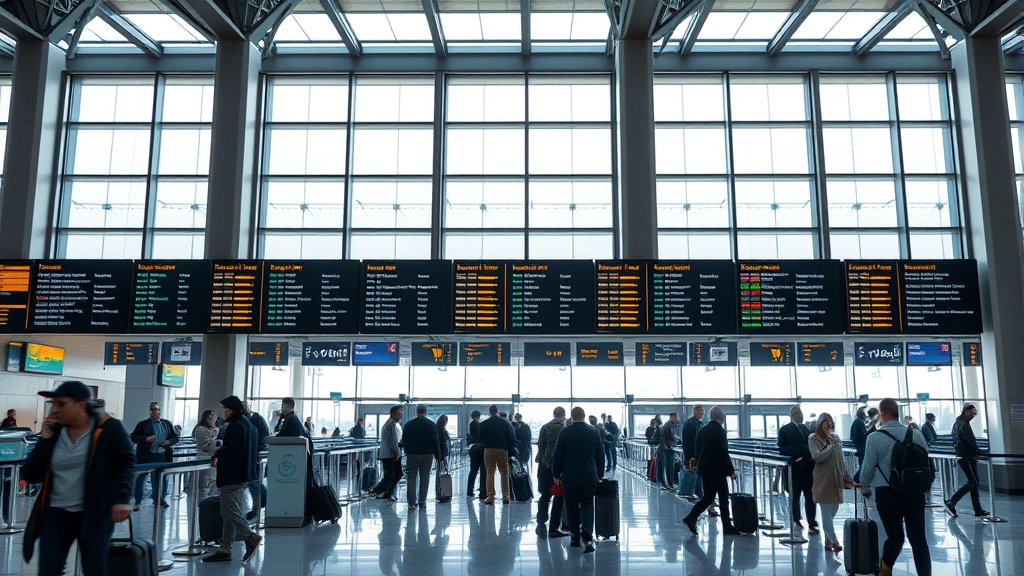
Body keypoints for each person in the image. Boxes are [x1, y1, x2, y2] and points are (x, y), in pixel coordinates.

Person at [22, 381, 135, 576]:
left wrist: (121, 500)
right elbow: (31, 474)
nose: (55, 409)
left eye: (61, 404)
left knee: (94, 570)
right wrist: (45, 439)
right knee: (48, 571)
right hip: (55, 514)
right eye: (53, 404)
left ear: (81, 405)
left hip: (95, 513)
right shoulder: (54, 432)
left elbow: (126, 463)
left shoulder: (108, 428)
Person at [860, 398, 931, 576]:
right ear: (897, 412)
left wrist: (865, 488)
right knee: (919, 540)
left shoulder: (874, 438)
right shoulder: (916, 433)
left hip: (888, 493)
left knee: (896, 537)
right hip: (915, 492)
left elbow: (867, 469)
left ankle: (885, 566)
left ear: (882, 414)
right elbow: (925, 457)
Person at [202, 396, 261, 563]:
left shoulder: (236, 425)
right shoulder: (249, 424)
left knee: (228, 511)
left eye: (225, 408)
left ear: (232, 409)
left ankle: (250, 536)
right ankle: (225, 548)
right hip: (244, 473)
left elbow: (232, 449)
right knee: (229, 512)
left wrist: (218, 456)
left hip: (232, 473)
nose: (223, 412)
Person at [550, 407, 604, 553]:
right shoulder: (594, 432)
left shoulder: (565, 432)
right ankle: (587, 538)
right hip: (589, 475)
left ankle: (574, 537)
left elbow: (558, 454)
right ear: (584, 416)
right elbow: (600, 455)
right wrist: (600, 474)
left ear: (572, 417)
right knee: (587, 504)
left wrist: (556, 473)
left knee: (571, 506)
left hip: (570, 477)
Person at [682, 406, 738, 536]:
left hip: (705, 469)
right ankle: (727, 526)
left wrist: (696, 464)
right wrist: (731, 470)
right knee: (723, 497)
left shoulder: (703, 430)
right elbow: (724, 452)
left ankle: (691, 518)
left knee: (708, 497)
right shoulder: (720, 430)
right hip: (717, 469)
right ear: (721, 417)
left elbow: (697, 449)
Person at [808, 413, 855, 555]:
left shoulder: (835, 438)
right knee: (826, 512)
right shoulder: (813, 438)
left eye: (830, 423)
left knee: (833, 511)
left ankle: (828, 542)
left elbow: (840, 459)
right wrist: (829, 447)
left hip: (836, 478)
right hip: (823, 479)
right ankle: (835, 541)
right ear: (820, 424)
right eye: (825, 423)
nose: (829, 426)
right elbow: (817, 457)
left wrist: (847, 476)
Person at [130, 402, 178, 511]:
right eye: (151, 409)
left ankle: (160, 500)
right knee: (141, 478)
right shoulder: (143, 424)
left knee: (160, 478)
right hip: (146, 456)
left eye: (156, 409)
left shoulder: (166, 424)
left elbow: (174, 438)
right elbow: (133, 437)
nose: (154, 411)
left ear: (159, 411)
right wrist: (145, 439)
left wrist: (168, 442)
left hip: (162, 455)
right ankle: (138, 502)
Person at [778, 404, 818, 534]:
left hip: (808, 468)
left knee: (810, 495)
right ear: (791, 416)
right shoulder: (784, 430)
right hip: (794, 469)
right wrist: (801, 451)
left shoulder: (805, 428)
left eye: (800, 413)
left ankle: (812, 521)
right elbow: (782, 449)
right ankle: (796, 518)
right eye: (796, 413)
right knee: (795, 495)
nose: (799, 416)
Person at [945, 403, 989, 518]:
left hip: (968, 456)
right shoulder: (961, 424)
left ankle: (978, 509)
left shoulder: (962, 423)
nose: (973, 416)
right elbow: (962, 441)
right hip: (965, 456)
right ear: (966, 411)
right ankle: (952, 501)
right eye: (972, 413)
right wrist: (975, 452)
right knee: (972, 482)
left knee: (974, 482)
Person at [535, 407, 567, 538]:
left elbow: (541, 445)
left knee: (545, 495)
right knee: (559, 497)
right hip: (558, 467)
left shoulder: (545, 427)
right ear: (564, 415)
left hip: (544, 467)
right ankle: (555, 527)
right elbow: (557, 449)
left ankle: (541, 523)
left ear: (554, 415)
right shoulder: (564, 427)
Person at [402, 405, 439, 510]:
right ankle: (422, 502)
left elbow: (404, 440)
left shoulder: (409, 425)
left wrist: (407, 451)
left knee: (411, 477)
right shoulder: (431, 424)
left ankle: (411, 503)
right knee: (425, 477)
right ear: (425, 412)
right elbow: (435, 441)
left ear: (416, 411)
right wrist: (436, 455)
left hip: (412, 454)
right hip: (427, 454)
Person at [479, 405, 517, 505]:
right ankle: (506, 496)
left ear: (489, 412)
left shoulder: (484, 424)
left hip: (489, 449)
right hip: (502, 449)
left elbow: (481, 438)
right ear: (497, 412)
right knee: (504, 473)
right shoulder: (505, 423)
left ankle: (490, 496)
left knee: (490, 472)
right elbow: (511, 437)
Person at [244, 402, 271, 522]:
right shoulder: (256, 418)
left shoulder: (248, 421)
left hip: (252, 454)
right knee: (253, 480)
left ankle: (263, 498)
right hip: (258, 454)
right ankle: (257, 507)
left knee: (251, 480)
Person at [373, 406, 403, 504]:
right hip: (390, 454)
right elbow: (393, 441)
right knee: (391, 475)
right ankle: (378, 491)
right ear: (393, 414)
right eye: (398, 413)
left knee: (395, 474)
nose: (400, 415)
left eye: (401, 413)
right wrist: (397, 453)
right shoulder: (391, 425)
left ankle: (386, 493)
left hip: (391, 454)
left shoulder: (394, 424)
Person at [680, 405, 705, 500]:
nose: (701, 414)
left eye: (702, 412)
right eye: (699, 412)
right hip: (692, 455)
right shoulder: (690, 424)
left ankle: (698, 493)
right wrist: (692, 457)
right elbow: (689, 442)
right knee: (695, 474)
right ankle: (696, 493)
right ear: (694, 412)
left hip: (697, 454)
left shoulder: (699, 423)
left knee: (697, 475)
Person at [192, 410, 219, 494]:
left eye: (213, 418)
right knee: (203, 486)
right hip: (203, 458)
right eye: (209, 418)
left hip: (215, 460)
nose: (211, 420)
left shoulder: (216, 429)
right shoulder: (200, 428)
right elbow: (204, 445)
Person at [659, 412, 681, 491]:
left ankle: (669, 483)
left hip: (666, 447)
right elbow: (673, 436)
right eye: (677, 416)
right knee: (670, 466)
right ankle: (670, 484)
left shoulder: (667, 424)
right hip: (668, 447)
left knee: (669, 465)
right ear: (673, 416)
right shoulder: (670, 425)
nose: (678, 418)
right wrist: (678, 440)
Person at [465, 410, 486, 498]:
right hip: (480, 449)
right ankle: (482, 490)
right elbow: (478, 436)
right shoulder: (476, 424)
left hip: (473, 450)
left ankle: (470, 490)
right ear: (478, 416)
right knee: (482, 470)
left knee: (473, 470)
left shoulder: (471, 424)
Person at [851, 407, 869, 483]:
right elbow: (863, 436)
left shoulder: (856, 422)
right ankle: (858, 478)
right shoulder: (860, 423)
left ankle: (857, 478)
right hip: (862, 448)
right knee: (863, 464)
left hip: (859, 447)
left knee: (862, 464)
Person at [436, 415, 451, 501]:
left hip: (440, 454)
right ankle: (442, 492)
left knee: (440, 473)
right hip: (442, 454)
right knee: (442, 473)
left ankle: (440, 492)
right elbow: (444, 441)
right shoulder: (441, 430)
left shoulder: (438, 429)